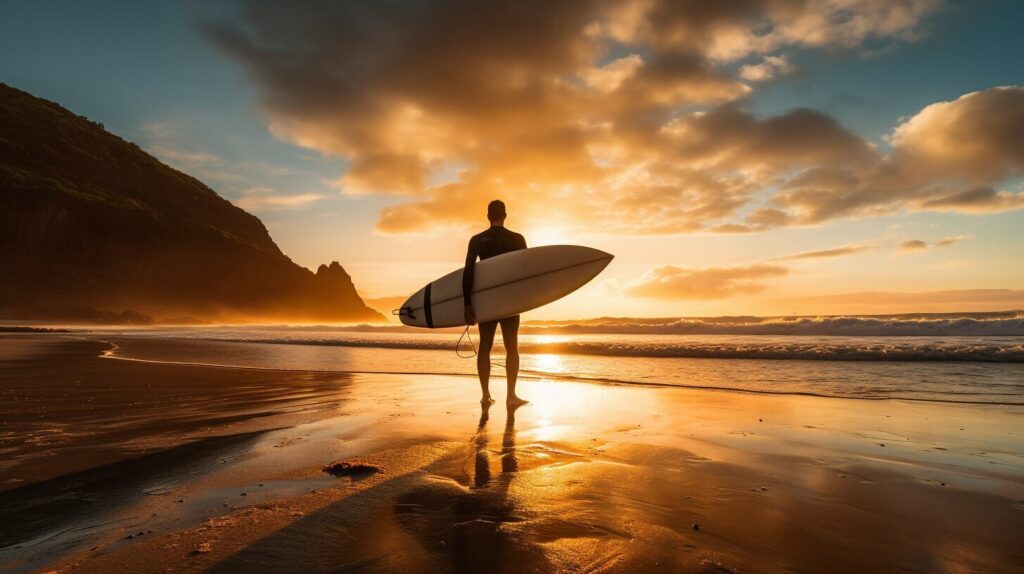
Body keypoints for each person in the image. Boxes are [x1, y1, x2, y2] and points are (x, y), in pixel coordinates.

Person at [463, 200, 528, 406]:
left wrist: (467, 303)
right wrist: (526, 300)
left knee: (485, 347)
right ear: (505, 215)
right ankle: (511, 396)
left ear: (487, 215)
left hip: (487, 301)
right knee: (512, 347)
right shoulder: (517, 239)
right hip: (510, 301)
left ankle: (485, 396)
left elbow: (468, 272)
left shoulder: (477, 240)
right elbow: (526, 271)